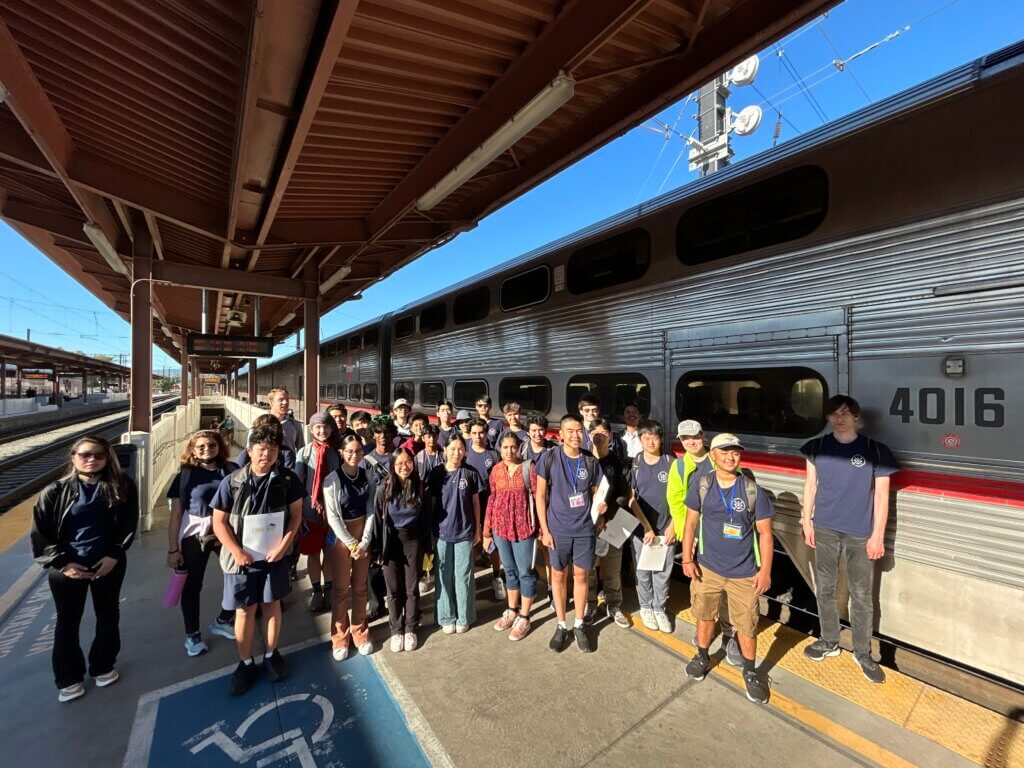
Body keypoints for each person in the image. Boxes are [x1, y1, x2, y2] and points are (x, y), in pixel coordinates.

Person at [31, 436, 139, 703]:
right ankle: (69, 677)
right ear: (73, 457)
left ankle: (103, 665)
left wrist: (115, 553)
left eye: (99, 455)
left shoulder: (121, 486)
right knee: (67, 622)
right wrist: (62, 563)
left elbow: (128, 522)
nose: (92, 459)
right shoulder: (55, 491)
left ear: (108, 458)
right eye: (85, 454)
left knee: (108, 614)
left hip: (108, 563)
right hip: (68, 568)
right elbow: (41, 535)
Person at [800, 395, 899, 684]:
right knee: (826, 588)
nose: (839, 418)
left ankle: (863, 651)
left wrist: (877, 535)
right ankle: (828, 641)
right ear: (828, 418)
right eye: (833, 414)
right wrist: (807, 520)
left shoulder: (874, 450)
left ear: (856, 417)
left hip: (860, 532)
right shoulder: (816, 447)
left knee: (861, 595)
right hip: (825, 527)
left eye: (845, 413)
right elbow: (810, 486)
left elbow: (882, 497)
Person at [211, 425, 305, 696]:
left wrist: (284, 546)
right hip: (242, 560)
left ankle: (271, 655)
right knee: (245, 610)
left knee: (272, 604)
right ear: (249, 451)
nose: (267, 455)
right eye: (261, 450)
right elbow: (218, 522)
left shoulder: (287, 480)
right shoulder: (233, 481)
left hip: (273, 557)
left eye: (273, 450)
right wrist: (237, 552)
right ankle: (245, 662)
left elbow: (296, 516)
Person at [682, 434, 774, 705]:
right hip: (707, 567)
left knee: (747, 624)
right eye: (724, 452)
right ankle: (702, 655)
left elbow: (766, 534)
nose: (731, 457)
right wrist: (687, 559)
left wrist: (765, 570)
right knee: (704, 614)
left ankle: (750, 670)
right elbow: (689, 525)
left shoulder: (752, 489)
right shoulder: (701, 485)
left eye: (735, 452)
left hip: (744, 571)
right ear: (713, 456)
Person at [668, 420, 741, 666]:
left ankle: (730, 634)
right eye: (685, 438)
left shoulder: (719, 458)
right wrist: (688, 535)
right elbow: (676, 504)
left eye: (695, 437)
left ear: (703, 436)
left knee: (729, 588)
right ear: (681, 441)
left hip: (722, 536)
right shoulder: (678, 467)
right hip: (696, 538)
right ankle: (704, 634)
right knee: (702, 590)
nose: (691, 442)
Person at [536, 414, 606, 653]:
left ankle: (578, 624)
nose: (576, 435)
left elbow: (597, 492)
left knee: (581, 576)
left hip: (585, 529)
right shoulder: (549, 458)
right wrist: (544, 530)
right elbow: (539, 496)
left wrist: (601, 509)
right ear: (561, 434)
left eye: (579, 431)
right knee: (558, 575)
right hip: (558, 529)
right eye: (570, 431)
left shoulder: (590, 462)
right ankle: (561, 624)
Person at [166, 430, 239, 656]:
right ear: (193, 450)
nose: (207, 449)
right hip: (196, 534)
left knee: (238, 574)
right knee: (192, 585)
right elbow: (176, 514)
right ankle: (192, 635)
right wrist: (173, 550)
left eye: (212, 445)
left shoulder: (231, 470)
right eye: (201, 446)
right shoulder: (185, 476)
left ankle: (223, 619)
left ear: (220, 446)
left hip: (226, 529)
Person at [323, 434, 377, 659]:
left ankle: (360, 632)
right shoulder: (332, 480)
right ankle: (339, 637)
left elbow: (371, 509)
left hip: (362, 533)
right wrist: (352, 543)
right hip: (340, 538)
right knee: (341, 589)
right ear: (342, 453)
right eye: (350, 451)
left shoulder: (368, 475)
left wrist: (364, 541)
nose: (355, 455)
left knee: (361, 587)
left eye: (358, 451)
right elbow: (333, 517)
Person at [483, 432, 539, 641]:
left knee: (525, 571)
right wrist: (487, 530)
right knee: (510, 571)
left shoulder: (528, 468)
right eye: (505, 447)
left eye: (513, 447)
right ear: (499, 449)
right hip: (500, 528)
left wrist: (542, 529)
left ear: (519, 448)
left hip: (524, 527)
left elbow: (539, 498)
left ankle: (525, 616)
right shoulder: (496, 470)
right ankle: (511, 610)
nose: (509, 451)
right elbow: (492, 499)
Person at [374, 448, 428, 652]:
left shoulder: (420, 487)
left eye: (408, 462)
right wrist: (377, 550)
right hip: (391, 542)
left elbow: (425, 519)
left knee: (411, 588)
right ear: (392, 466)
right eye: (399, 464)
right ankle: (396, 629)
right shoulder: (383, 489)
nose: (404, 467)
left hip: (413, 540)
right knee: (393, 590)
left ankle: (411, 628)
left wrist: (427, 548)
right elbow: (378, 522)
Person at [426, 436, 481, 633]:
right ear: (445, 450)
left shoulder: (470, 473)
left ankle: (464, 616)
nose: (456, 453)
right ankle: (446, 616)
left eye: (460, 449)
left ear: (465, 451)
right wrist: (430, 532)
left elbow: (475, 503)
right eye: (452, 449)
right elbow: (431, 504)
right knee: (443, 575)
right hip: (441, 532)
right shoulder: (436, 473)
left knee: (464, 576)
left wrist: (478, 530)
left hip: (465, 532)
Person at [628, 420, 676, 633]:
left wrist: (674, 525)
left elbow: (680, 499)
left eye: (654, 437)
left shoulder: (671, 463)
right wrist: (646, 527)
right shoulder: (636, 464)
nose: (650, 441)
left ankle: (660, 608)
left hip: (666, 528)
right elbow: (632, 500)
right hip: (642, 530)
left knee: (663, 572)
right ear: (640, 440)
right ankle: (646, 606)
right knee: (644, 570)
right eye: (645, 437)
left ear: (660, 439)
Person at [293, 412, 340, 613]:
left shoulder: (335, 452)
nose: (322, 431)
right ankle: (316, 591)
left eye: (326, 427)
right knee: (313, 555)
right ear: (311, 430)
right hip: (309, 512)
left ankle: (328, 588)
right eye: (318, 427)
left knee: (329, 553)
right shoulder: (303, 453)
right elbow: (297, 485)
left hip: (331, 513)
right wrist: (298, 514)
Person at [585, 418, 630, 628]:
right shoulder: (584, 460)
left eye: (604, 433)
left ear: (610, 436)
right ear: (589, 435)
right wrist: (594, 516)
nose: (600, 437)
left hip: (613, 522)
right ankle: (590, 604)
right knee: (589, 568)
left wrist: (607, 515)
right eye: (595, 433)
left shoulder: (616, 462)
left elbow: (623, 494)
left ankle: (614, 605)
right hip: (587, 523)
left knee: (613, 568)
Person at [466, 417, 505, 599]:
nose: (478, 436)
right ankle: (470, 580)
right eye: (474, 433)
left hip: (491, 503)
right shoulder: (464, 451)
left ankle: (497, 577)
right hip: (469, 504)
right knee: (473, 542)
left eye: (481, 432)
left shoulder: (494, 455)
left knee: (493, 542)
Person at [266, 387, 305, 452]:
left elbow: (301, 451)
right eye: (280, 400)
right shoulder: (260, 423)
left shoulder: (295, 425)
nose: (285, 402)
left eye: (287, 399)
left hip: (288, 461)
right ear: (271, 402)